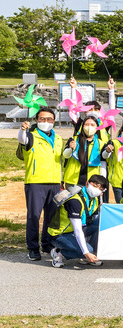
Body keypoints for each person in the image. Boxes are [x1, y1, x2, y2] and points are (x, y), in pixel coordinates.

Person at [18, 107, 65, 260]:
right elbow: (22, 140)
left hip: (54, 183)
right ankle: (33, 248)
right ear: (36, 120)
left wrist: (61, 181)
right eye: (42, 119)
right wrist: (22, 130)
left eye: (49, 119)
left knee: (51, 217)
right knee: (34, 216)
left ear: (53, 121)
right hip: (36, 182)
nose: (46, 122)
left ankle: (47, 243)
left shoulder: (58, 139)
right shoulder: (31, 136)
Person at [48, 174, 108, 268]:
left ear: (102, 192)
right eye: (95, 185)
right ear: (87, 183)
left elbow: (94, 219)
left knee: (101, 223)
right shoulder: (75, 201)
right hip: (60, 234)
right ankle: (59, 253)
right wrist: (86, 252)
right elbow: (77, 230)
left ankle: (89, 255)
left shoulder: (94, 200)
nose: (96, 189)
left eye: (100, 188)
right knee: (87, 249)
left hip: (76, 230)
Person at [63, 116, 104, 191]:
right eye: (86, 124)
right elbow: (65, 155)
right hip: (73, 182)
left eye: (92, 125)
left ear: (97, 127)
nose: (89, 127)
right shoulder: (74, 140)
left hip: (92, 184)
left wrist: (102, 183)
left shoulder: (101, 144)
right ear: (82, 126)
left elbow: (103, 162)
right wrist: (71, 148)